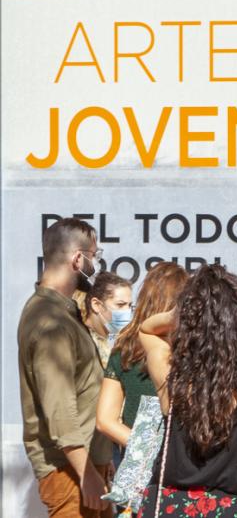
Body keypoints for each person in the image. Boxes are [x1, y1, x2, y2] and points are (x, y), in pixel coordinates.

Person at [136, 264, 237, 517]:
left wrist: (176, 314)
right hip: (231, 510)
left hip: (172, 506)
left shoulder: (169, 375)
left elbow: (146, 328)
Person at [18, 217, 114, 517]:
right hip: (70, 471)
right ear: (77, 258)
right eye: (93, 256)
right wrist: (87, 473)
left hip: (85, 464)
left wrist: (100, 457)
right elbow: (59, 407)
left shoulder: (63, 312)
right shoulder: (50, 322)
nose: (94, 264)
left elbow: (83, 386)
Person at [97, 263, 189, 450]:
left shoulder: (126, 349)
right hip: (188, 464)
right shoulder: (194, 350)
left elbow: (105, 420)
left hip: (139, 465)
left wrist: (146, 448)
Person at [80, 273, 134, 369]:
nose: (127, 312)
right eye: (120, 305)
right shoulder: (78, 340)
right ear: (96, 305)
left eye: (129, 306)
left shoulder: (125, 344)